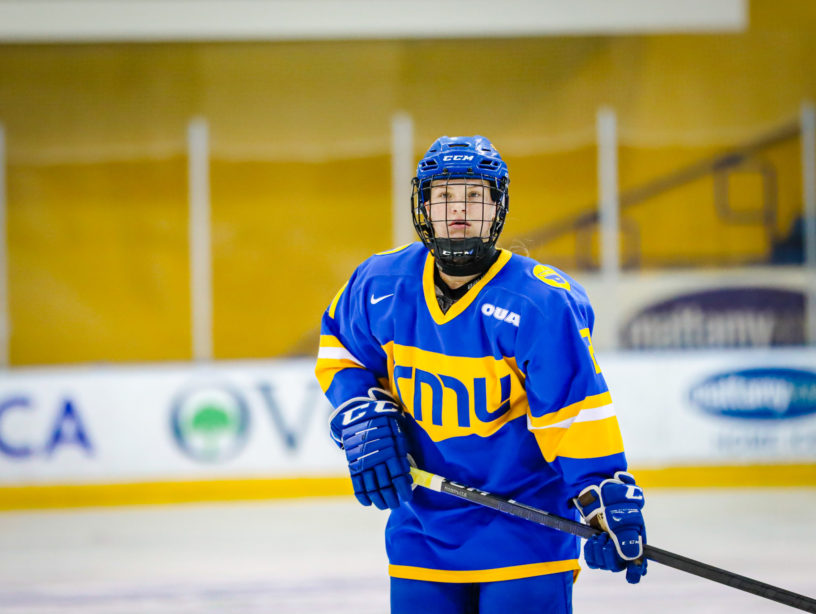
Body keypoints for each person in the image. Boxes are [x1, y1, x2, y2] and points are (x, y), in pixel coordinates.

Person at [315, 135, 647, 614]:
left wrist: (601, 494)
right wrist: (360, 409)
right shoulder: (379, 283)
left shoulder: (541, 303)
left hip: (525, 529)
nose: (459, 209)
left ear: (497, 207)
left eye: (475, 195)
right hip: (421, 531)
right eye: (444, 195)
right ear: (424, 206)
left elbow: (574, 416)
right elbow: (342, 350)